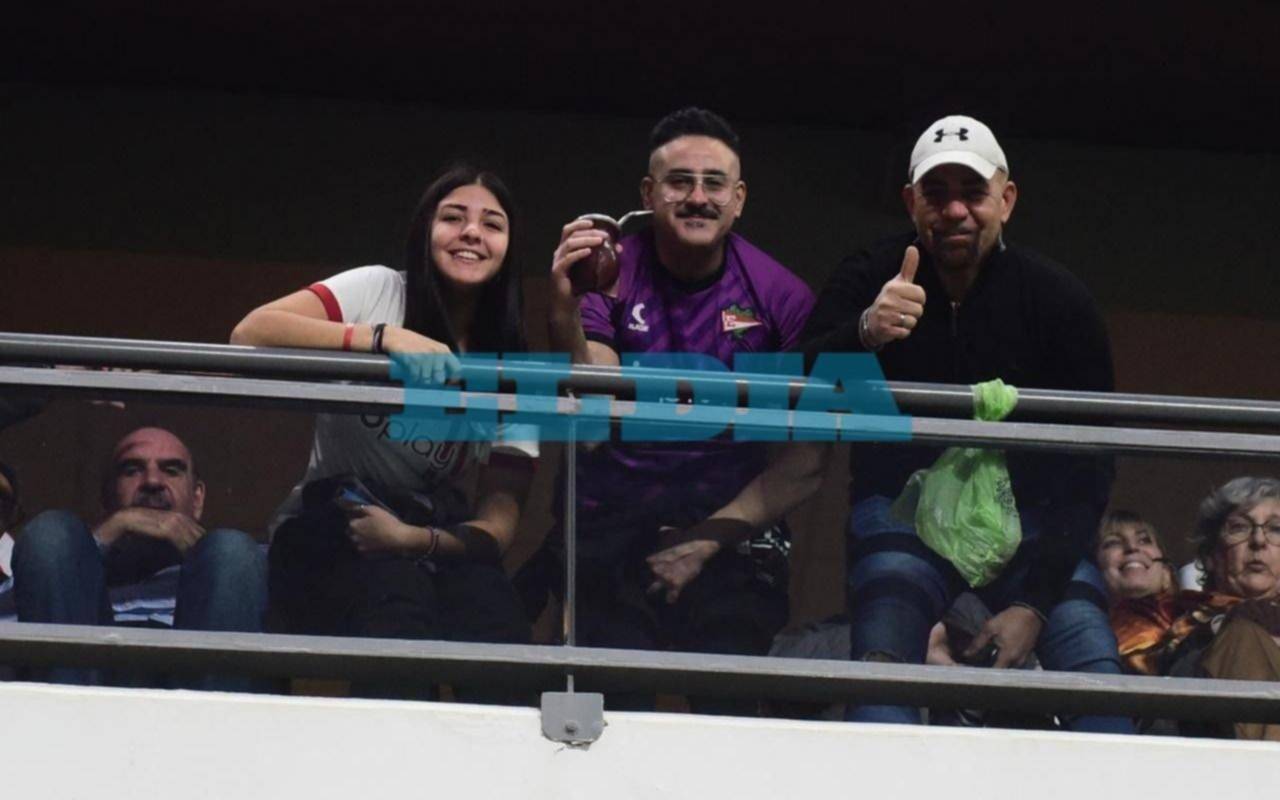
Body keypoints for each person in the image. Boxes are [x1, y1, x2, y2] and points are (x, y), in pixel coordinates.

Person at [799, 114, 1130, 732]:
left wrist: (1034, 604)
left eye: (973, 193)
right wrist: (865, 332)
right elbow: (797, 390)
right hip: (901, 509)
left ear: (1007, 200)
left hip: (1031, 519)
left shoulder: (1057, 298)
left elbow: (1092, 466)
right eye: (936, 193)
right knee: (880, 664)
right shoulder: (871, 275)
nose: (955, 211)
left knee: (1095, 675)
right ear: (911, 203)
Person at [541, 107, 821, 712]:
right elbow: (593, 414)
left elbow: (807, 460)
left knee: (731, 713)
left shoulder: (780, 297)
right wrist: (564, 311)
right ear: (648, 194)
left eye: (714, 183)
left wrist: (705, 541)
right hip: (612, 531)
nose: (697, 198)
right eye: (679, 182)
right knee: (607, 716)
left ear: (738, 199)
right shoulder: (611, 272)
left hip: (729, 535)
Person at [231, 164, 536, 698]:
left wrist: (412, 539)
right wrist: (380, 339)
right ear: (425, 230)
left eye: (492, 224)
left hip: (430, 534)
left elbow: (499, 524)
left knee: (497, 616)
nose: (471, 232)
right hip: (333, 524)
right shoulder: (380, 288)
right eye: (453, 217)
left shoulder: (514, 364)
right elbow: (250, 333)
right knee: (398, 595)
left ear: (508, 249)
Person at [10, 427, 267, 689]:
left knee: (232, 549)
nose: (152, 481)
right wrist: (103, 537)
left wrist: (213, 556)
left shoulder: (244, 566)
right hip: (76, 693)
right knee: (51, 535)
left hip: (202, 701)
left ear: (197, 498)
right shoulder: (55, 566)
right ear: (106, 495)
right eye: (132, 471)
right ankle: (67, 709)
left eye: (171, 471)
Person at [1105, 483, 1280, 740]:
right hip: (1206, 743)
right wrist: (1224, 624)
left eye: (1276, 529)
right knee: (1243, 634)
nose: (1258, 541)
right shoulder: (1173, 614)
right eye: (1239, 528)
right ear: (1211, 556)